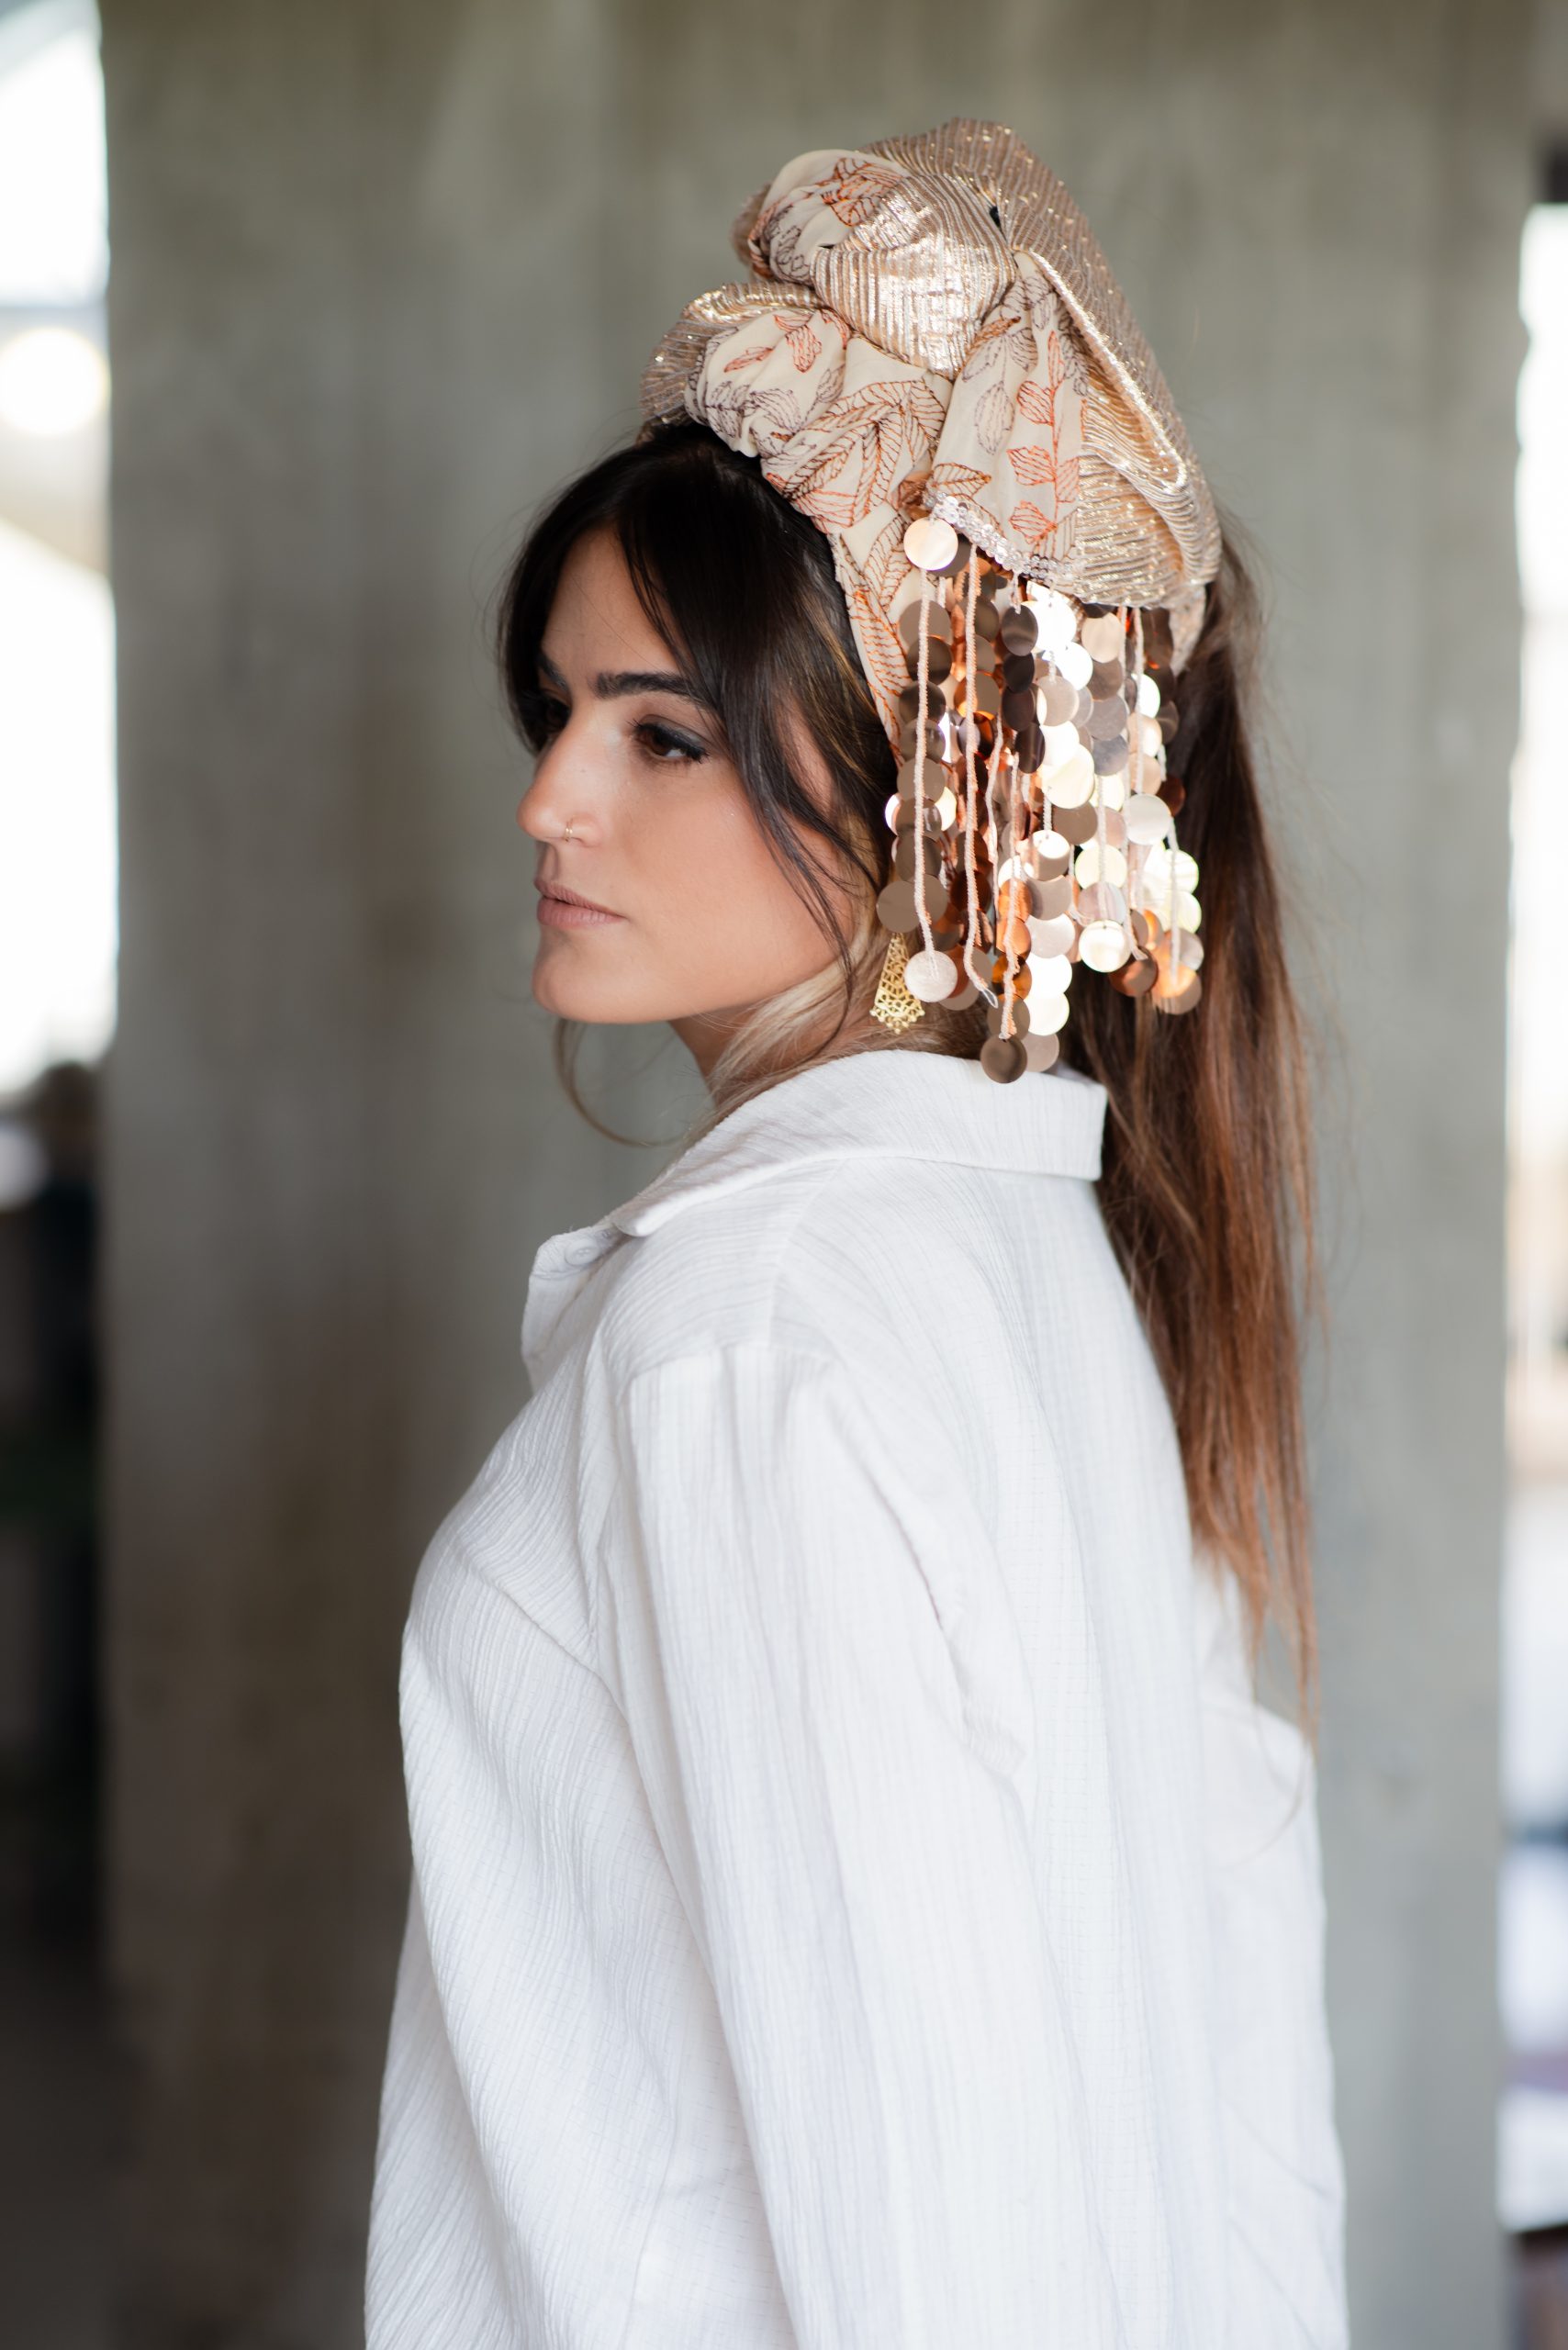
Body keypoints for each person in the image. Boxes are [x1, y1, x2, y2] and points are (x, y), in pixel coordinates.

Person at [365, 118, 1350, 2348]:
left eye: (661, 734)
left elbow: (922, 2207)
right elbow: (1233, 2087)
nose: (548, 799)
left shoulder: (753, 1331)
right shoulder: (1038, 1258)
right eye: (557, 710)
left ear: (933, 776)